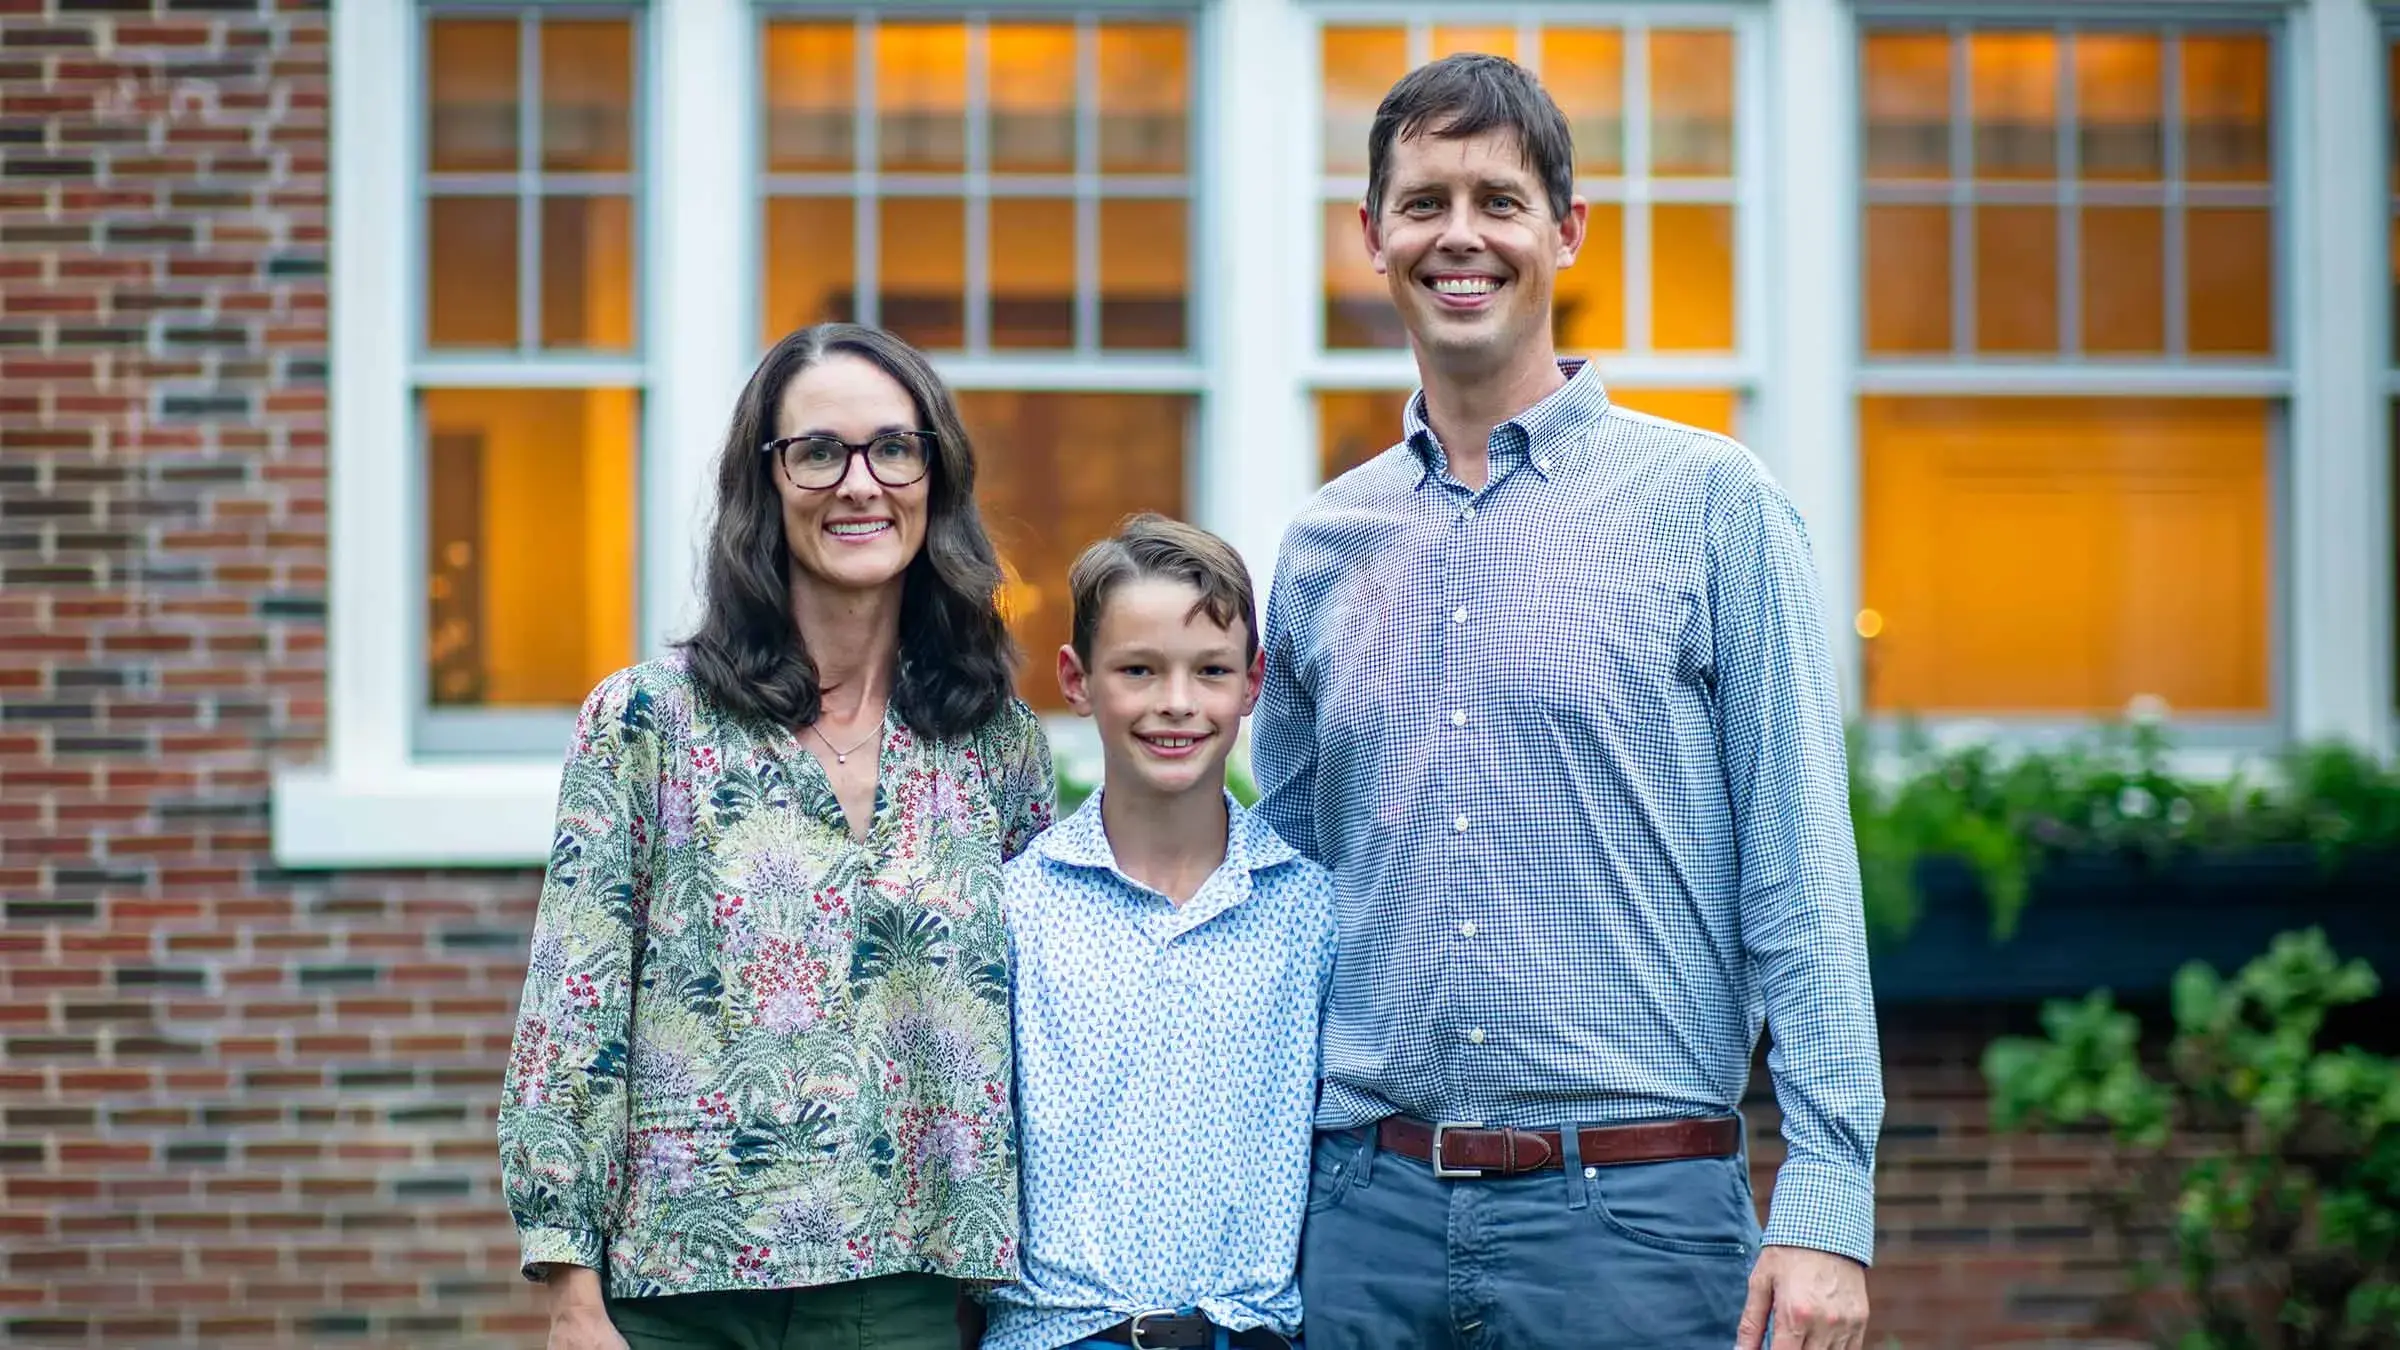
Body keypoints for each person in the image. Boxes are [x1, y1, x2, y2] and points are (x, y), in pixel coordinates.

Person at [1253, 54, 1883, 1350]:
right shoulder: (1322, 546)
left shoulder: (1715, 506)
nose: (1461, 235)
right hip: (1367, 1214)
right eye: (1424, 202)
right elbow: (1293, 898)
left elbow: (1802, 877)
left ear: (1567, 229)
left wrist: (1826, 1200)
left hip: (1636, 1219)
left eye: (1500, 197)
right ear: (1372, 236)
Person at [499, 323, 1056, 1350]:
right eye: (818, 452)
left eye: (895, 447)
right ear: (766, 482)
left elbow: (1044, 1026)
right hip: (675, 1288)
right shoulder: (646, 724)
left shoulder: (994, 744)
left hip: (905, 1288)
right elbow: (570, 1009)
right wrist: (571, 1290)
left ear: (936, 476)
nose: (861, 483)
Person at [981, 515, 1336, 1350]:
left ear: (1253, 684)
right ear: (1077, 680)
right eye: (1138, 670)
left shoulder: (1312, 911)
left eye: (1209, 671)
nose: (1175, 703)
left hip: (1252, 1336)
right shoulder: (1014, 910)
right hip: (1059, 1336)